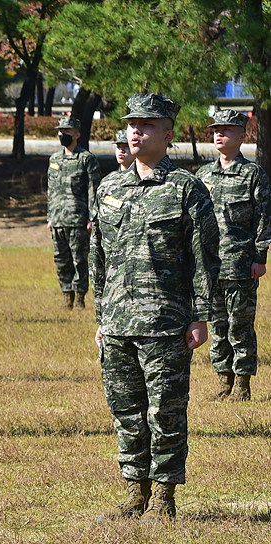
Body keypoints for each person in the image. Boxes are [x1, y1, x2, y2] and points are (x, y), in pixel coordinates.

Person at [92, 93, 219, 521]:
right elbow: (99, 258)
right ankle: (135, 492)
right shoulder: (109, 186)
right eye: (132, 123)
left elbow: (205, 258)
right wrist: (100, 319)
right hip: (116, 323)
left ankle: (164, 496)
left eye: (146, 124)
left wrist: (200, 317)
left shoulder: (186, 188)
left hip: (166, 323)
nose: (135, 130)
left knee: (165, 412)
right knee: (125, 411)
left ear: (168, 134)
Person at [196, 109, 271, 402]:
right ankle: (223, 381)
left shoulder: (253, 174)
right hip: (211, 267)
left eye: (226, 130)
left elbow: (264, 217)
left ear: (242, 135)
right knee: (218, 327)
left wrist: (260, 257)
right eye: (216, 129)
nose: (219, 134)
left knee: (240, 326)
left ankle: (242, 385)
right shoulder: (203, 175)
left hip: (241, 265)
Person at [46, 116, 102, 310]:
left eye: (67, 131)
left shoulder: (86, 159)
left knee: (79, 260)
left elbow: (93, 190)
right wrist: (50, 217)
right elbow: (51, 190)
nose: (63, 134)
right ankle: (66, 297)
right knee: (61, 260)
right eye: (60, 131)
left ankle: (79, 298)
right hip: (58, 219)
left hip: (78, 220)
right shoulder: (54, 159)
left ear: (77, 134)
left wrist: (91, 218)